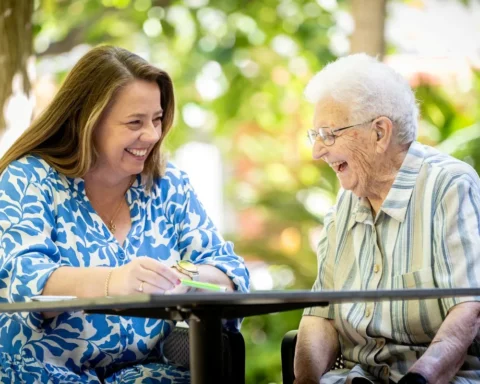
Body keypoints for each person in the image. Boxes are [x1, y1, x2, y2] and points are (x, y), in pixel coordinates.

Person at [0, 45, 250, 383]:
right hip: (44, 372)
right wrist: (114, 281)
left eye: (157, 120)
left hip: (148, 375)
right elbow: (27, 282)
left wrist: (185, 278)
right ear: (88, 121)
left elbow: (231, 273)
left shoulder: (167, 185)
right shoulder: (28, 179)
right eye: (135, 122)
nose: (152, 135)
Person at [294, 54, 480, 384]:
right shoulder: (345, 204)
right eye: (315, 136)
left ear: (380, 133)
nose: (317, 151)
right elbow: (321, 315)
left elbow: (468, 309)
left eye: (328, 134)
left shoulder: (449, 186)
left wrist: (420, 378)